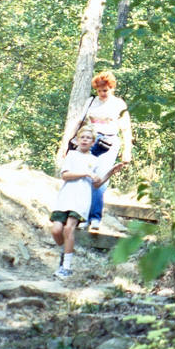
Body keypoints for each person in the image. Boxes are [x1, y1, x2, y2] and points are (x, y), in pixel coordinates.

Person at [50, 126, 125, 278]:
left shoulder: (94, 160)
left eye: (88, 138)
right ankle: (66, 251)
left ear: (93, 143)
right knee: (56, 230)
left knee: (69, 229)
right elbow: (65, 175)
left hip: (81, 200)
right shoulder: (71, 155)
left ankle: (66, 268)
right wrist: (85, 173)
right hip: (65, 197)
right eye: (82, 137)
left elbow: (96, 184)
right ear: (77, 140)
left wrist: (110, 172)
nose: (85, 140)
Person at [82, 71, 133, 231]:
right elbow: (82, 122)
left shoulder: (119, 104)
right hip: (90, 141)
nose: (102, 93)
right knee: (86, 177)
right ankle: (83, 216)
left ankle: (95, 218)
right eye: (99, 91)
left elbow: (126, 128)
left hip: (109, 141)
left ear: (112, 88)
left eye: (105, 90)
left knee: (101, 177)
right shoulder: (91, 102)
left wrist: (127, 150)